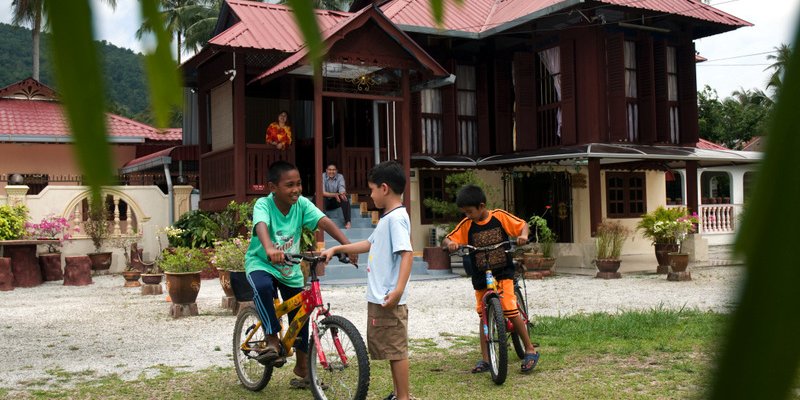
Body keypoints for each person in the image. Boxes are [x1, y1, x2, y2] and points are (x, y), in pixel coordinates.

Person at [245, 160, 355, 389]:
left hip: (290, 268)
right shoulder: (263, 205)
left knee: (302, 315)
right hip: (261, 263)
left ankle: (303, 369)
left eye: (299, 184)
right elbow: (261, 226)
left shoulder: (302, 204)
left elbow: (324, 221)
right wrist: (269, 248)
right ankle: (272, 338)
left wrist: (347, 245)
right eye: (289, 185)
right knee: (263, 288)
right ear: (273, 187)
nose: (296, 189)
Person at [320, 160, 414, 400]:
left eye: (371, 190)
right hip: (381, 296)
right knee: (391, 350)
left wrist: (398, 290)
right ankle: (397, 394)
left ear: (384, 188)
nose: (370, 195)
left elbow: (407, 253)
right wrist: (338, 248)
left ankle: (403, 397)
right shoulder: (386, 218)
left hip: (389, 297)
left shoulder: (396, 219)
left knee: (397, 350)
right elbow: (369, 243)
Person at [442, 184, 540, 374]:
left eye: (470, 211)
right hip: (480, 276)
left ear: (482, 206)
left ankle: (529, 349)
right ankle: (486, 359)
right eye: (464, 212)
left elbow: (523, 225)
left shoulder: (500, 217)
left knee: (510, 310)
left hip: (503, 272)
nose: (467, 215)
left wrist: (523, 235)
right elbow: (447, 239)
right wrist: (451, 243)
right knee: (483, 315)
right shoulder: (467, 225)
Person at [322, 163, 352, 229]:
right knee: (320, 197)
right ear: (326, 170)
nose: (331, 172)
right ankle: (322, 221)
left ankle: (348, 221)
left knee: (344, 197)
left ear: (336, 171)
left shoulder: (340, 176)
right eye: (329, 170)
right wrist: (335, 194)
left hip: (335, 201)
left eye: (333, 170)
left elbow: (342, 188)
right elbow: (322, 192)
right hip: (325, 201)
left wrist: (342, 193)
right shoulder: (322, 176)